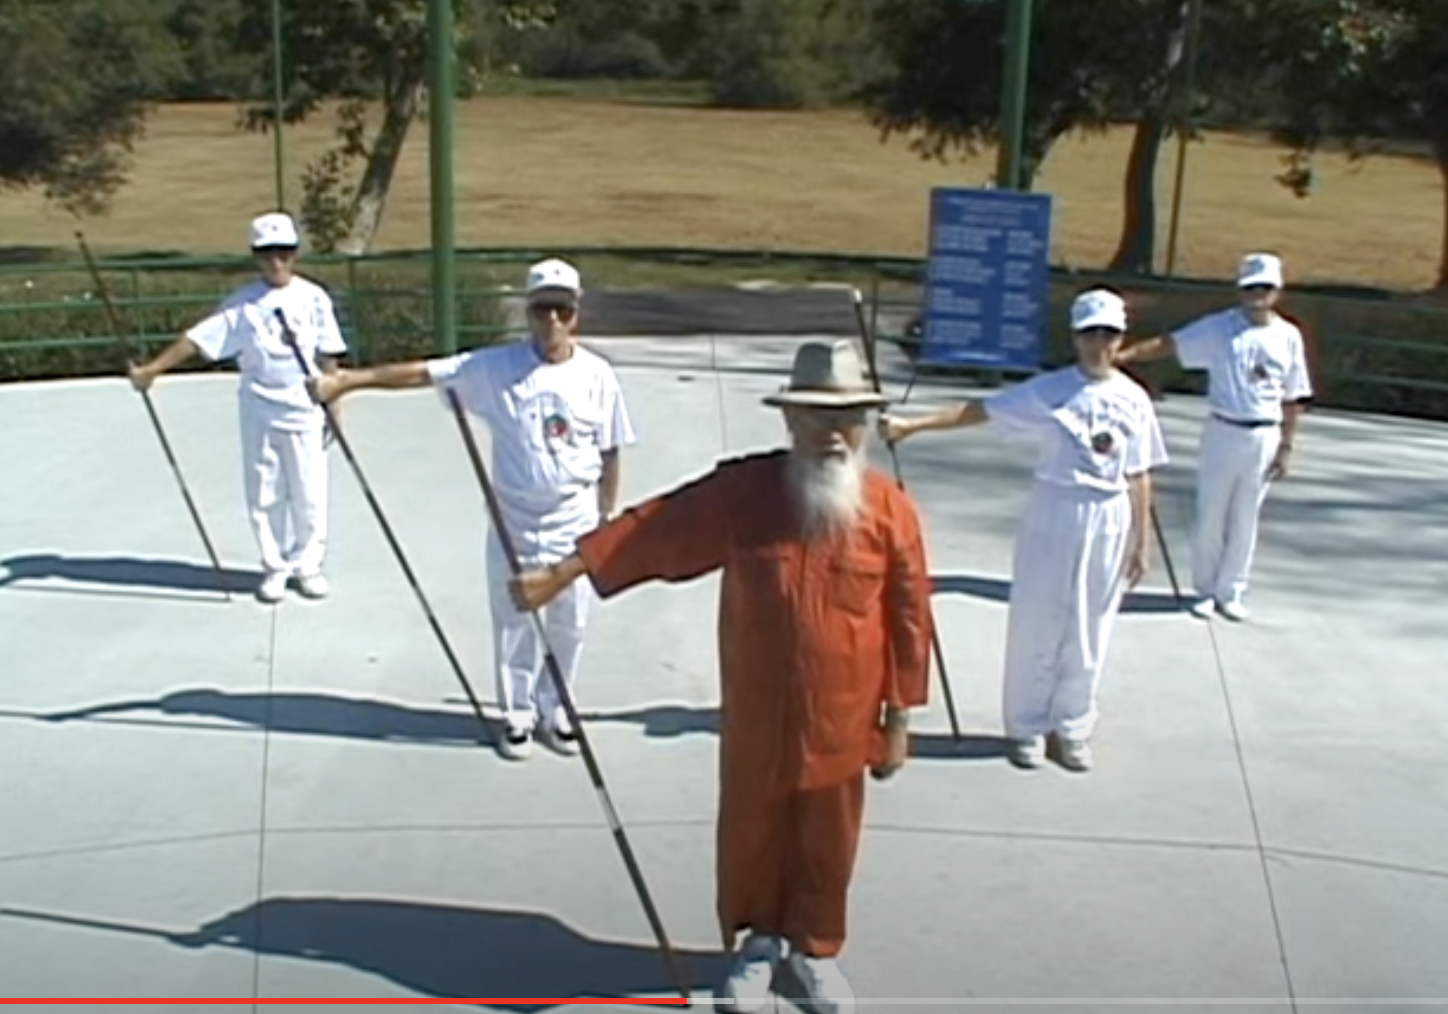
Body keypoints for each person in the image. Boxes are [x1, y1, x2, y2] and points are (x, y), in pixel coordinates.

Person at [508, 339, 933, 1014]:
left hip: (845, 715)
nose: (833, 433)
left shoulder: (889, 512)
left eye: (848, 417)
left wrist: (901, 717)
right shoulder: (745, 492)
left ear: (866, 425)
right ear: (789, 420)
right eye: (817, 417)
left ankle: (816, 952)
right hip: (757, 710)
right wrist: (562, 573)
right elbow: (656, 526)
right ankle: (760, 944)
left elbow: (910, 619)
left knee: (828, 833)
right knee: (752, 825)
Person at [307, 258, 635, 760]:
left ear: (576, 315)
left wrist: (606, 520)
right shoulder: (495, 368)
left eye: (561, 310)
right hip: (515, 520)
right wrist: (348, 381)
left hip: (575, 518)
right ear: (528, 312)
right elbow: (424, 372)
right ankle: (518, 715)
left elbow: (612, 450)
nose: (552, 320)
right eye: (542, 309)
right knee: (514, 620)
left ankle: (558, 708)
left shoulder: (599, 376)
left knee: (571, 621)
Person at [878, 288, 1168, 772]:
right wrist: (914, 425)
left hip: (1108, 513)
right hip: (1057, 507)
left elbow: (1139, 472)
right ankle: (1026, 725)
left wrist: (1140, 542)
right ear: (1076, 338)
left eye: (1110, 334)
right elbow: (982, 411)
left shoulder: (1134, 398)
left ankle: (1072, 724)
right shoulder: (1050, 390)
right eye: (1091, 333)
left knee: (1090, 623)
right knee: (1039, 617)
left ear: (1121, 339)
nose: (1101, 343)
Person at [128, 211, 348, 604]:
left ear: (295, 254)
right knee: (264, 490)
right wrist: (152, 370)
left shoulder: (314, 297)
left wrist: (334, 404)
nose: (276, 262)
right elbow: (197, 340)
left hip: (304, 409)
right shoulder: (241, 305)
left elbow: (329, 354)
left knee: (309, 492)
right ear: (256, 257)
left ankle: (308, 565)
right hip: (259, 409)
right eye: (267, 254)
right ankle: (274, 567)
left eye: (284, 253)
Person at [1115, 252, 1313, 621]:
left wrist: (1286, 445)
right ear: (1240, 290)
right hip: (1224, 429)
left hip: (1263, 434)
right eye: (1251, 287)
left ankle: (1232, 589)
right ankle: (1204, 589)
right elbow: (1169, 345)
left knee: (1245, 516)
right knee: (1212, 513)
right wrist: (1122, 356)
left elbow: (1294, 394)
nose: (1258, 295)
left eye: (1266, 288)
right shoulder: (1219, 328)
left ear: (1278, 292)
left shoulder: (1288, 336)